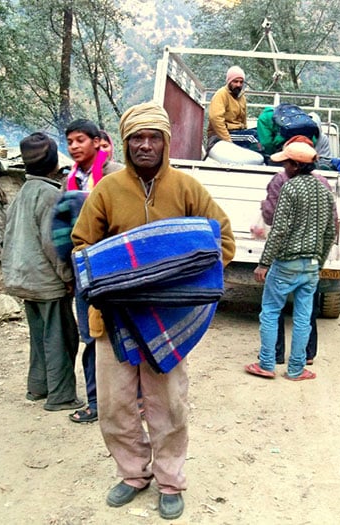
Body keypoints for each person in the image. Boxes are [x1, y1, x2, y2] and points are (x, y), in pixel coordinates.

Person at [71, 101, 235, 520]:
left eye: (153, 138)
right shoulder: (107, 190)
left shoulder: (187, 188)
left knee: (169, 405)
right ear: (125, 144)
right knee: (114, 405)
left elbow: (222, 242)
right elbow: (81, 247)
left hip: (168, 322)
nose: (145, 145)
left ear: (165, 142)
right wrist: (112, 281)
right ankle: (133, 474)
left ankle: (169, 481)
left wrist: (184, 284)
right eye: (136, 139)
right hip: (113, 320)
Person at [2, 132, 83, 411]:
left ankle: (37, 388)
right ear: (52, 162)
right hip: (47, 282)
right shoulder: (49, 194)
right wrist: (68, 277)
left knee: (39, 338)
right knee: (62, 338)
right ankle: (61, 396)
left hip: (24, 279)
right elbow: (54, 244)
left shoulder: (23, 192)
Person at [245, 141, 336, 381]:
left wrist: (264, 263)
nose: (283, 165)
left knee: (271, 312)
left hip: (286, 264)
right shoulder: (325, 191)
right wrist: (320, 261)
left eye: (286, 162)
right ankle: (296, 369)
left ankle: (266, 364)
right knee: (303, 317)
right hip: (312, 266)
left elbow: (279, 230)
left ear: (296, 165)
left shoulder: (290, 188)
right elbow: (330, 232)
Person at [61, 120, 122, 424]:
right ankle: (97, 401)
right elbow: (62, 234)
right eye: (70, 141)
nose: (74, 146)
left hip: (114, 270)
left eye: (80, 140)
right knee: (90, 337)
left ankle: (129, 399)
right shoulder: (69, 182)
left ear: (98, 142)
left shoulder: (116, 176)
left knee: (122, 333)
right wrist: (67, 274)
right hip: (84, 273)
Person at [206, 66, 264, 164]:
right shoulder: (221, 94)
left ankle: (264, 159)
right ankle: (268, 162)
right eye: (235, 81)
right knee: (251, 137)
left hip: (237, 133)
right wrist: (228, 141)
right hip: (219, 136)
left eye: (241, 82)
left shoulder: (242, 98)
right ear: (229, 81)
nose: (238, 85)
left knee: (259, 132)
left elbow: (243, 121)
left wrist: (245, 131)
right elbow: (215, 119)